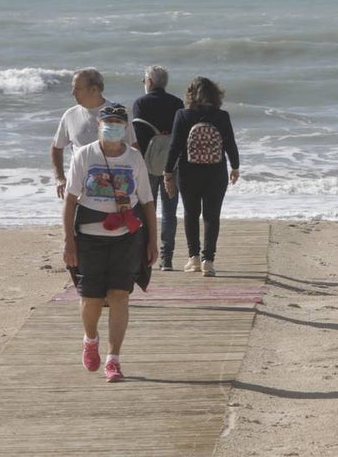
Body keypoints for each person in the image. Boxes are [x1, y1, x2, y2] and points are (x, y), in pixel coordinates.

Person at [62, 102, 157, 383]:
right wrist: (68, 241)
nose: (113, 126)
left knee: (119, 296)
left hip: (126, 238)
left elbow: (148, 203)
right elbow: (69, 202)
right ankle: (90, 339)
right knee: (91, 298)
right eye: (109, 122)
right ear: (99, 125)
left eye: (119, 122)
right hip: (90, 238)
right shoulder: (84, 155)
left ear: (126, 127)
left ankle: (113, 360)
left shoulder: (134, 158)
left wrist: (153, 241)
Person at [163, 76, 239, 277]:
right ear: (215, 94)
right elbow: (230, 144)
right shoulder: (222, 116)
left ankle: (193, 258)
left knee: (191, 213)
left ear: (189, 94)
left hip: (189, 172)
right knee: (212, 216)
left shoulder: (182, 115)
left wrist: (168, 171)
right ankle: (209, 260)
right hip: (216, 171)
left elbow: (175, 147)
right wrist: (235, 167)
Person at [131, 65, 185, 272]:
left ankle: (146, 255)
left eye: (144, 80)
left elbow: (138, 136)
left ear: (150, 82)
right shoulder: (177, 103)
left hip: (147, 164)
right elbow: (180, 135)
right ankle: (167, 259)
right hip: (173, 165)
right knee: (170, 212)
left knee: (146, 210)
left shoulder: (140, 103)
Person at [52, 68, 136, 199]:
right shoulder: (70, 115)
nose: (72, 92)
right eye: (73, 88)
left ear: (94, 90)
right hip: (80, 189)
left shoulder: (118, 114)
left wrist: (135, 184)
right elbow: (56, 147)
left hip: (114, 188)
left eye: (77, 88)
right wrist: (59, 178)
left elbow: (133, 149)